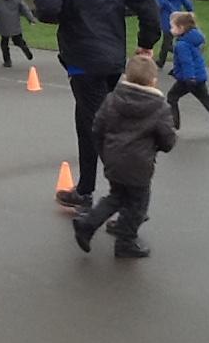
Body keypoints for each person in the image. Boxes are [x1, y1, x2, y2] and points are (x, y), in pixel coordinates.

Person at [33, 0, 161, 213]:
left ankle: (127, 199)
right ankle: (87, 189)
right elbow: (146, 1)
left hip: (82, 57)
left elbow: (48, 6)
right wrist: (146, 41)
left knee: (95, 126)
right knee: (97, 122)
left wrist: (59, 14)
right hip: (113, 57)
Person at [72, 56, 176, 258]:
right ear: (153, 81)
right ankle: (125, 241)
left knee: (116, 197)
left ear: (126, 77)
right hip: (139, 164)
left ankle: (87, 224)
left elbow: (97, 127)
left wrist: (105, 150)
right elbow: (167, 140)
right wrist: (160, 146)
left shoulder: (112, 99)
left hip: (114, 159)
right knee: (138, 204)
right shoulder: (159, 107)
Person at [166, 12, 209, 138]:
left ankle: (173, 124)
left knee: (172, 96)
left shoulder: (182, 44)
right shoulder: (194, 39)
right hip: (199, 77)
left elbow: (187, 62)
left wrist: (189, 77)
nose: (171, 30)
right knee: (206, 99)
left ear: (181, 28)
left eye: (173, 27)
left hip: (188, 79)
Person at [154, 0, 194, 68]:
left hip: (167, 24)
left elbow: (156, 8)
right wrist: (189, 12)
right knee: (167, 43)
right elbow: (188, 3)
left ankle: (185, 52)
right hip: (177, 22)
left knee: (167, 45)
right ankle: (161, 61)